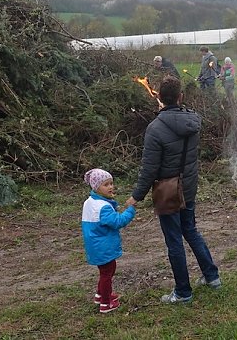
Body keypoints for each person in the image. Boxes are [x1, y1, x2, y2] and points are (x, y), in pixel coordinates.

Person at [126, 75, 221, 303]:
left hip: (167, 190)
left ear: (159, 97)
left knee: (174, 241)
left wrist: (135, 196)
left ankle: (183, 292)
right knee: (190, 230)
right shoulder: (193, 122)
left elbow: (149, 169)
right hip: (188, 186)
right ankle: (212, 277)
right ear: (181, 97)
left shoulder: (155, 128)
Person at [82, 168, 136, 313]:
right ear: (96, 187)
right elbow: (118, 221)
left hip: (95, 245)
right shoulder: (103, 207)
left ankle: (100, 295)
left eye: (111, 183)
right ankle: (106, 304)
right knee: (107, 273)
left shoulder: (90, 202)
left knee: (105, 272)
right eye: (106, 185)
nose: (111, 187)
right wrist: (130, 209)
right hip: (103, 246)